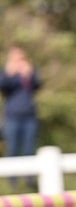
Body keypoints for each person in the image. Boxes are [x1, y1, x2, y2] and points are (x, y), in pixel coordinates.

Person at [1, 45, 41, 189]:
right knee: (11, 150)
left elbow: (37, 86)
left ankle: (29, 181)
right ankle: (12, 183)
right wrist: (9, 73)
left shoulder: (29, 70)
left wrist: (28, 74)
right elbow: (3, 86)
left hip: (29, 116)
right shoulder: (6, 71)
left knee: (28, 150)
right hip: (11, 117)